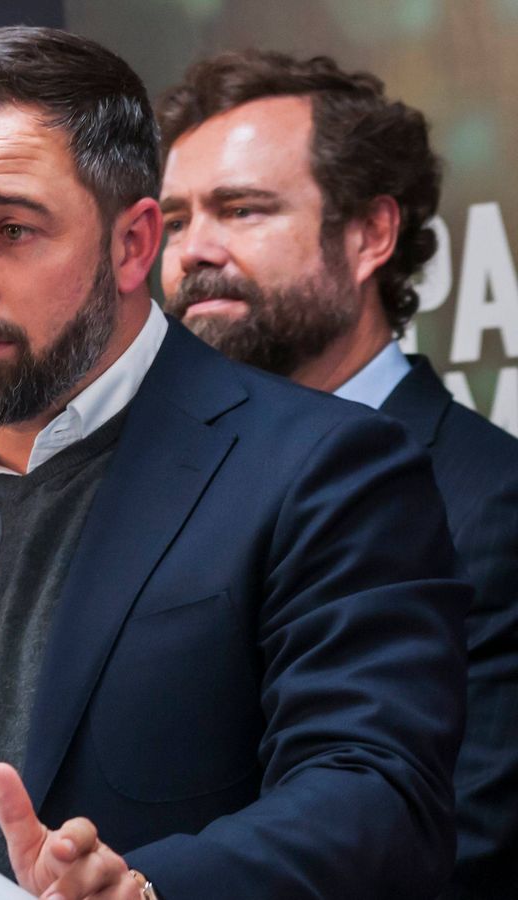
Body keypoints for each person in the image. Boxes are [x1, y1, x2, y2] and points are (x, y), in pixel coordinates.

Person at [0, 26, 470, 900]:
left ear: (132, 246)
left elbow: (378, 798)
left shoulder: (323, 468)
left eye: (11, 229)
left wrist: (146, 888)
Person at [154, 50, 518, 898]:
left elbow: (454, 846)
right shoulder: (153, 494)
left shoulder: (493, 502)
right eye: (174, 220)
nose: (194, 251)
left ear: (369, 237)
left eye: (241, 210)